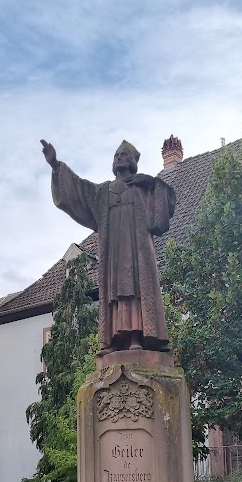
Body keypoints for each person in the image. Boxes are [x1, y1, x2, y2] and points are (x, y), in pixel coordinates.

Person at [41, 138, 176, 353]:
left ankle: (136, 339)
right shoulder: (102, 193)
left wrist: (151, 182)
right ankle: (112, 341)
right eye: (116, 155)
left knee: (135, 289)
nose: (119, 158)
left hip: (137, 251)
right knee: (112, 294)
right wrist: (56, 166)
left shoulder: (142, 188)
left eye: (124, 155)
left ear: (132, 162)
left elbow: (164, 209)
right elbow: (78, 188)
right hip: (112, 254)